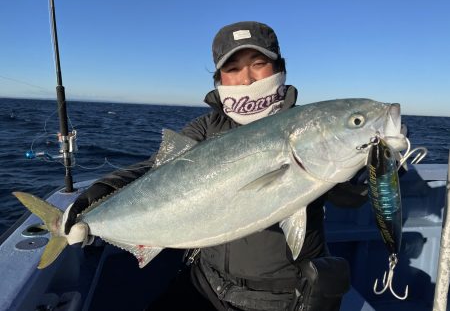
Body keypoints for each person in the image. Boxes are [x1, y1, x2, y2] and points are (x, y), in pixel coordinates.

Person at [65, 21, 365, 310]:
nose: (247, 78)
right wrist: (103, 190)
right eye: (232, 69)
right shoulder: (205, 129)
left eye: (258, 63)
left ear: (280, 68)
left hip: (284, 294)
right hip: (207, 280)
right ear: (219, 79)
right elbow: (156, 168)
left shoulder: (309, 128)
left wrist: (375, 163)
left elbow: (353, 195)